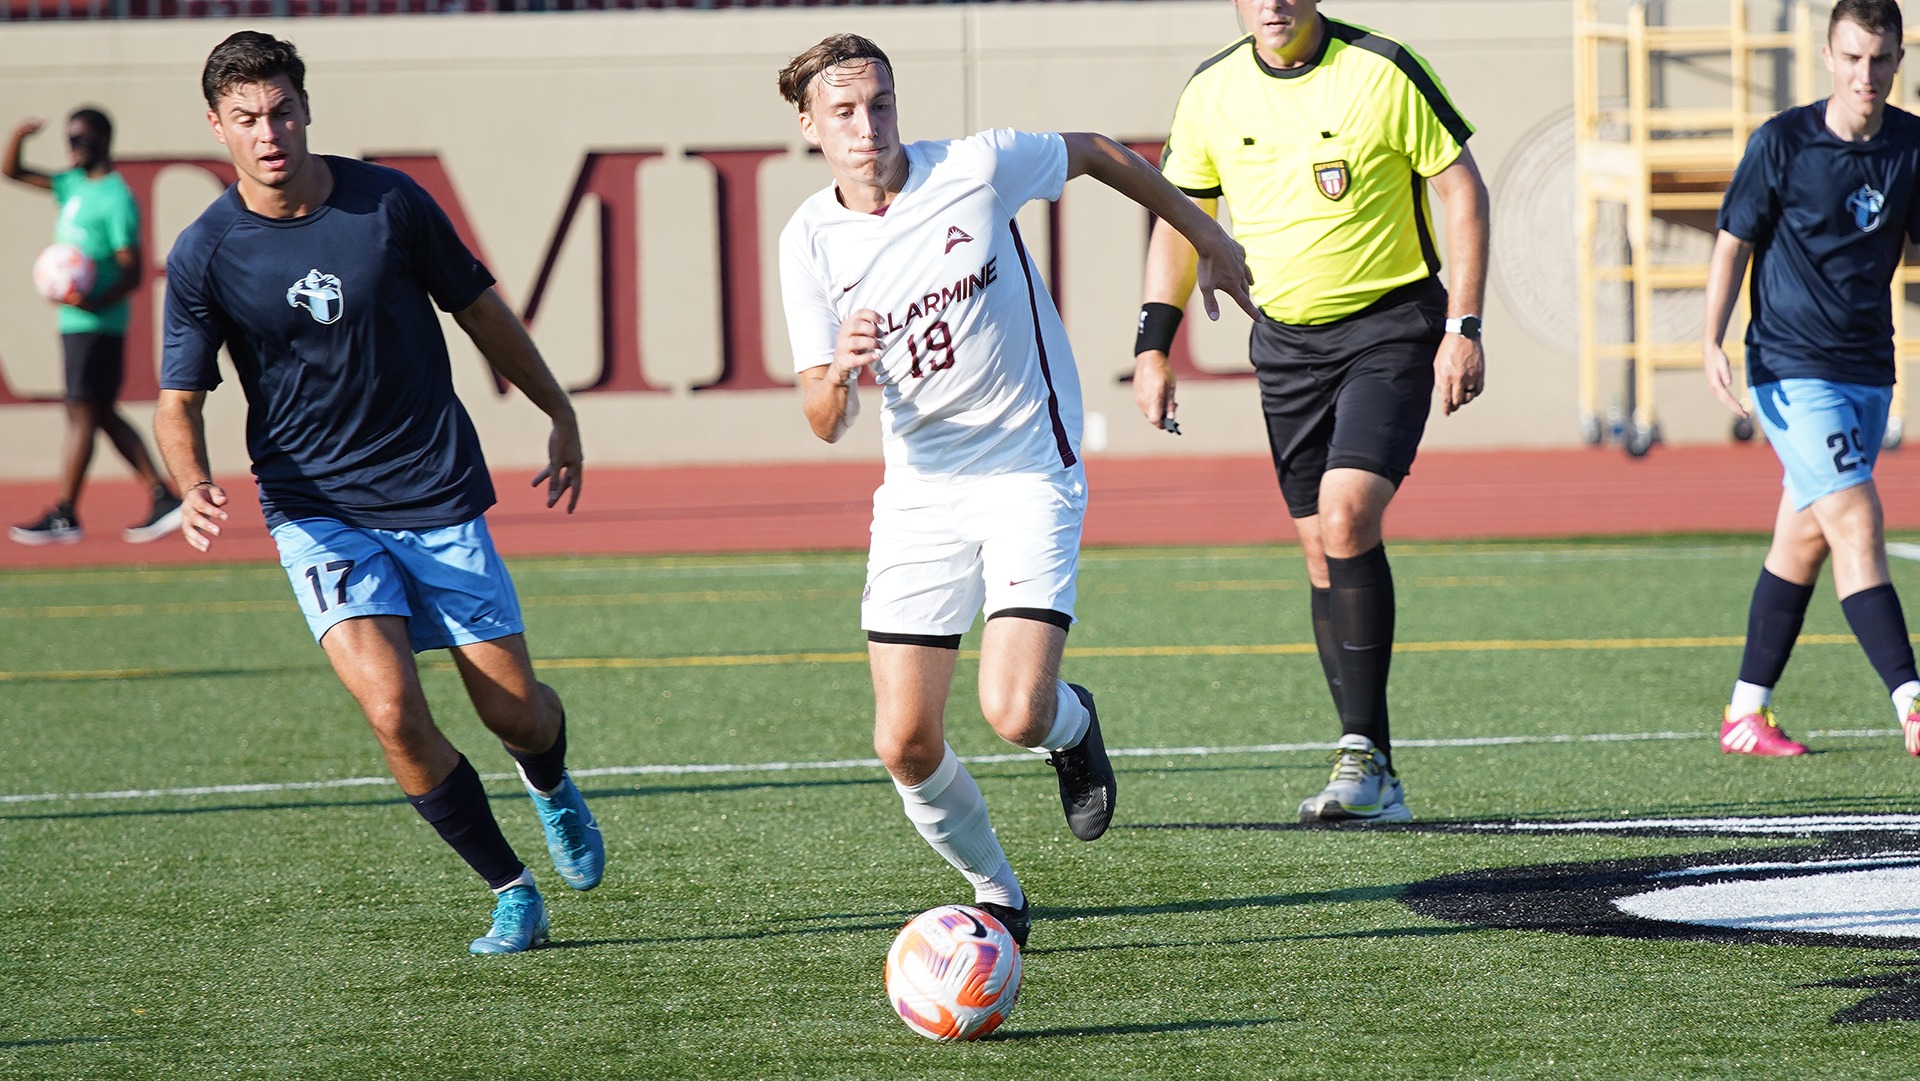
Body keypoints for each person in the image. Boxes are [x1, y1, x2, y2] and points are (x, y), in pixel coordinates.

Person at [775, 34, 1256, 947]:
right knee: (904, 744)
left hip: (1030, 468)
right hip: (919, 492)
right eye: (843, 112)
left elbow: (1098, 152)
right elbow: (822, 417)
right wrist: (839, 371)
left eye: (879, 103)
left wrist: (1208, 236)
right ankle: (996, 890)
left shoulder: (976, 167)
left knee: (1013, 712)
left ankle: (1073, 727)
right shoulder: (808, 240)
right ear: (809, 125)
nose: (867, 126)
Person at [154, 31, 603, 954]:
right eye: (246, 119)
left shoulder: (389, 202)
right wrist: (192, 482)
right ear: (216, 127)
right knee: (394, 711)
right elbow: (178, 399)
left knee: (513, 709)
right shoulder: (205, 252)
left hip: (433, 491)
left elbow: (479, 309)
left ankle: (551, 782)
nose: (268, 132)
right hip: (314, 510)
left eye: (281, 110)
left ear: (307, 109)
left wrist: (557, 408)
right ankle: (511, 888)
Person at [1134, 0, 1488, 823]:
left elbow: (1460, 192)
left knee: (1346, 513)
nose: (1272, 3)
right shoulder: (1212, 90)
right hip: (1285, 346)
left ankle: (1361, 755)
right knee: (1320, 552)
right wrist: (1155, 345)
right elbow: (1180, 223)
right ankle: (1376, 767)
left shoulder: (1384, 68)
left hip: (1392, 328)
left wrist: (1463, 327)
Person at [1703, 0, 1920, 758]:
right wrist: (1711, 341)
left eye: (1882, 59)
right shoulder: (1784, 142)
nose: (1868, 74)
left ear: (1899, 58)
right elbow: (1732, 244)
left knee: (1803, 538)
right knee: (1858, 521)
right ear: (1829, 56)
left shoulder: (1911, 146)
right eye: (1854, 58)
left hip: (1868, 370)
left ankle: (1744, 713)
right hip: (1791, 370)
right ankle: (1913, 701)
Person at [5, 106, 182, 546]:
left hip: (99, 322)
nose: (73, 148)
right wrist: (20, 135)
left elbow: (132, 271)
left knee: (83, 408)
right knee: (95, 410)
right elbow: (12, 171)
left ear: (103, 140)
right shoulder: (72, 186)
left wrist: (92, 299)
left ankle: (66, 512)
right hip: (74, 319)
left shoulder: (115, 198)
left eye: (81, 139)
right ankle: (163, 497)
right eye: (69, 140)